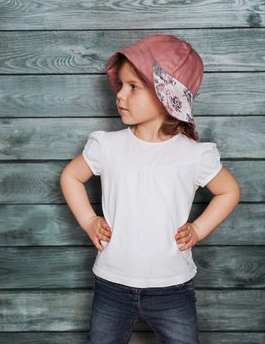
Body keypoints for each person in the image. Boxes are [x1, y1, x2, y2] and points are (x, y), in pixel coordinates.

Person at [59, 33, 241, 344]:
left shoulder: (193, 155)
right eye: (120, 86)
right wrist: (89, 221)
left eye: (133, 87)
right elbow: (70, 177)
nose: (119, 95)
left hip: (173, 286)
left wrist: (197, 230)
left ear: (166, 95)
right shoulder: (108, 146)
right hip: (112, 283)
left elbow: (229, 191)